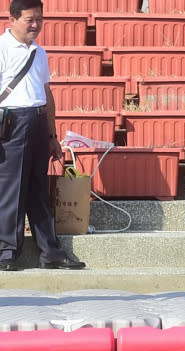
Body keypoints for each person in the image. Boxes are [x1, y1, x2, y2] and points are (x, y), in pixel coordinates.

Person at [0, 0, 85, 271]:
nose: (36, 25)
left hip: (37, 121)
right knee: (11, 190)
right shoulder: (1, 49)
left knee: (39, 189)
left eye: (39, 19)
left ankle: (50, 251)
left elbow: (46, 93)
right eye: (29, 19)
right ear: (11, 19)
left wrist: (52, 134)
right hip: (11, 122)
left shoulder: (40, 52)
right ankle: (7, 252)